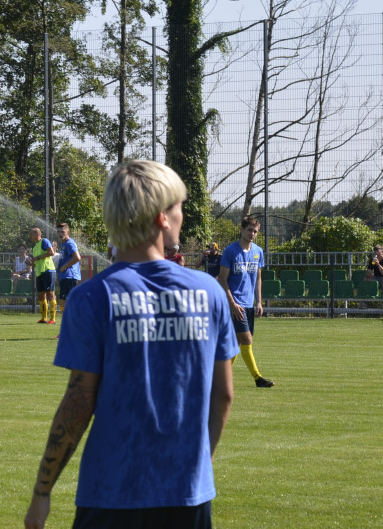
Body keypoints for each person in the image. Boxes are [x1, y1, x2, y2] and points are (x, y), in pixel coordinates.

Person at [24, 160, 237, 529]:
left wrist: (42, 492)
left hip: (109, 493)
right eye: (178, 207)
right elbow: (224, 395)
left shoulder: (91, 298)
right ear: (161, 218)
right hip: (188, 494)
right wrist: (197, 467)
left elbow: (78, 402)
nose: (182, 215)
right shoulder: (209, 293)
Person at [218, 215, 274, 388]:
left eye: (255, 231)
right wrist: (232, 304)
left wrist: (259, 302)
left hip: (249, 304)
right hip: (235, 304)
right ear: (241, 230)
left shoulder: (258, 252)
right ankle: (258, 378)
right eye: (249, 230)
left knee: (237, 343)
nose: (252, 234)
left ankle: (217, 378)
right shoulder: (230, 251)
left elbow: (258, 278)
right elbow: (222, 279)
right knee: (247, 339)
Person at [27, 228, 57, 325]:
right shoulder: (35, 247)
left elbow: (51, 252)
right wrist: (31, 264)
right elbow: (38, 262)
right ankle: (44, 318)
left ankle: (53, 319)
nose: (30, 236)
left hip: (48, 271)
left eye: (31, 234)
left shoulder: (44, 241)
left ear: (37, 234)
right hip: (40, 273)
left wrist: (37, 258)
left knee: (50, 294)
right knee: (40, 295)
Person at [55, 223, 81, 318]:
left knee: (66, 301)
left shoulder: (70, 243)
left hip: (69, 276)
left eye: (62, 232)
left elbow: (77, 257)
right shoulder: (63, 244)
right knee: (62, 301)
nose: (60, 234)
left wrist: (64, 267)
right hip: (65, 276)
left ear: (68, 232)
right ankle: (67, 324)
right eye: (58, 232)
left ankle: (72, 324)